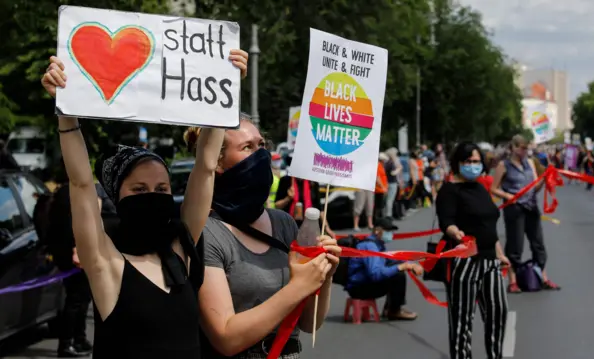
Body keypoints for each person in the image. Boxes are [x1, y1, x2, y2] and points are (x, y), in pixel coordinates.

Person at [41, 50, 248, 358]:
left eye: (161, 188)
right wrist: (66, 112)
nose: (153, 195)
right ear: (117, 196)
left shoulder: (181, 249)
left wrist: (224, 90)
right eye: (139, 189)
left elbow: (205, 167)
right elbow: (81, 182)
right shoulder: (105, 264)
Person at [184, 118, 341, 359]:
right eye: (247, 147)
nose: (261, 156)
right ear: (217, 162)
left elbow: (309, 324)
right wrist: (298, 286)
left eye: (262, 145)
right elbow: (226, 338)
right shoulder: (207, 233)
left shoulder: (283, 223)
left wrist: (324, 275)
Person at [436, 141, 510, 359]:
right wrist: (454, 232)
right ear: (458, 163)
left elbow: (489, 226)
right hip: (464, 261)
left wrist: (499, 253)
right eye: (468, 161)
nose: (473, 165)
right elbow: (446, 221)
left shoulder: (480, 188)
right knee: (462, 319)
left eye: (476, 161)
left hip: (490, 261)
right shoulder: (449, 190)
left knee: (498, 313)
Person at [47, 179, 114, 357]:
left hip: (68, 252)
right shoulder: (79, 193)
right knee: (76, 300)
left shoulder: (63, 191)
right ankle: (68, 343)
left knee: (81, 298)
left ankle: (79, 338)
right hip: (77, 254)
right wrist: (77, 249)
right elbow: (81, 223)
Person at [491, 135, 560, 293]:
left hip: (531, 206)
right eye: (522, 148)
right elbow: (494, 188)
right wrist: (508, 196)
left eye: (526, 148)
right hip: (515, 208)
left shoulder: (530, 163)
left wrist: (544, 179)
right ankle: (513, 280)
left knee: (538, 244)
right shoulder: (504, 165)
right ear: (514, 148)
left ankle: (542, 276)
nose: (525, 151)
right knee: (515, 244)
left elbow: (534, 187)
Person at [345, 217, 421, 320]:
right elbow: (375, 274)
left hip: (362, 283)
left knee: (396, 268)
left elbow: (388, 261)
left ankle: (389, 308)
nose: (390, 234)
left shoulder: (377, 244)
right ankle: (394, 311)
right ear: (377, 231)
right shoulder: (370, 246)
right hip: (358, 288)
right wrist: (402, 267)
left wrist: (409, 264)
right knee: (398, 275)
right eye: (387, 231)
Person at [384, 148, 401, 219]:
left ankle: (388, 214)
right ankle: (389, 215)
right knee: (390, 199)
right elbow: (393, 173)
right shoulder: (390, 163)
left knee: (389, 199)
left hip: (389, 182)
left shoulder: (387, 162)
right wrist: (399, 169)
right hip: (392, 183)